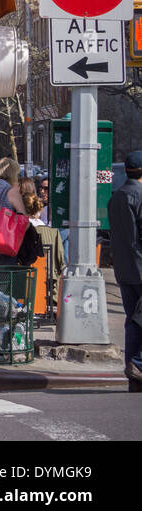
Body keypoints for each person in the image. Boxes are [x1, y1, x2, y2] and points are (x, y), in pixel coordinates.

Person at [106, 150, 142, 393]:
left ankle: (134, 369)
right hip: (140, 266)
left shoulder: (116, 196)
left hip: (123, 268)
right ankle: (137, 363)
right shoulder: (139, 196)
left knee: (132, 318)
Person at [0, 158, 36, 266]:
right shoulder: (11, 191)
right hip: (4, 248)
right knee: (13, 283)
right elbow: (24, 223)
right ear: (13, 174)